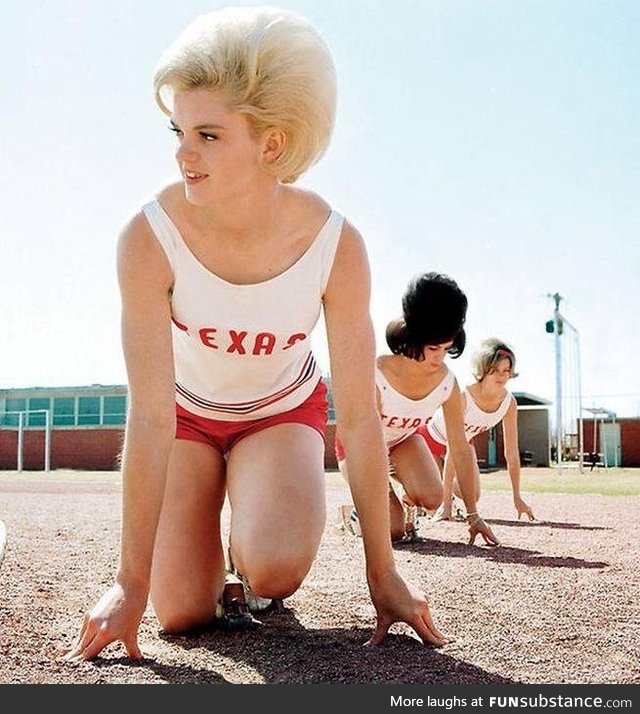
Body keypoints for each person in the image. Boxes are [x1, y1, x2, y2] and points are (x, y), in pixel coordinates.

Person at [65, 6, 448, 661]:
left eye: (208, 135)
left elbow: (358, 417)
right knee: (179, 609)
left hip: (277, 413)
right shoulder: (147, 239)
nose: (183, 153)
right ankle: (198, 560)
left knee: (274, 567)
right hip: (185, 418)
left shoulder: (336, 245)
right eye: (177, 129)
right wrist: (130, 583)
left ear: (271, 144)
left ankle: (252, 552)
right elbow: (151, 416)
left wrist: (381, 571)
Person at [336, 272, 500, 546]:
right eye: (433, 347)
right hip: (359, 448)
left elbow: (459, 446)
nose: (440, 358)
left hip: (401, 442)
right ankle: (356, 515)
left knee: (434, 498)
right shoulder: (376, 373)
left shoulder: (447, 383)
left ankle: (400, 507)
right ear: (413, 336)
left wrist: (473, 515)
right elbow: (367, 444)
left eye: (447, 348)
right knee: (392, 531)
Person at [422, 337, 535, 522]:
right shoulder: (464, 396)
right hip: (432, 439)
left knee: (472, 495)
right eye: (495, 371)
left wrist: (517, 497)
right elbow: (454, 447)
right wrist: (446, 507)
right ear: (483, 370)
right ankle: (422, 499)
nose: (502, 376)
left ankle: (442, 494)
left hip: (463, 442)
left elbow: (512, 453)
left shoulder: (509, 403)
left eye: (506, 370)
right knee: (430, 495)